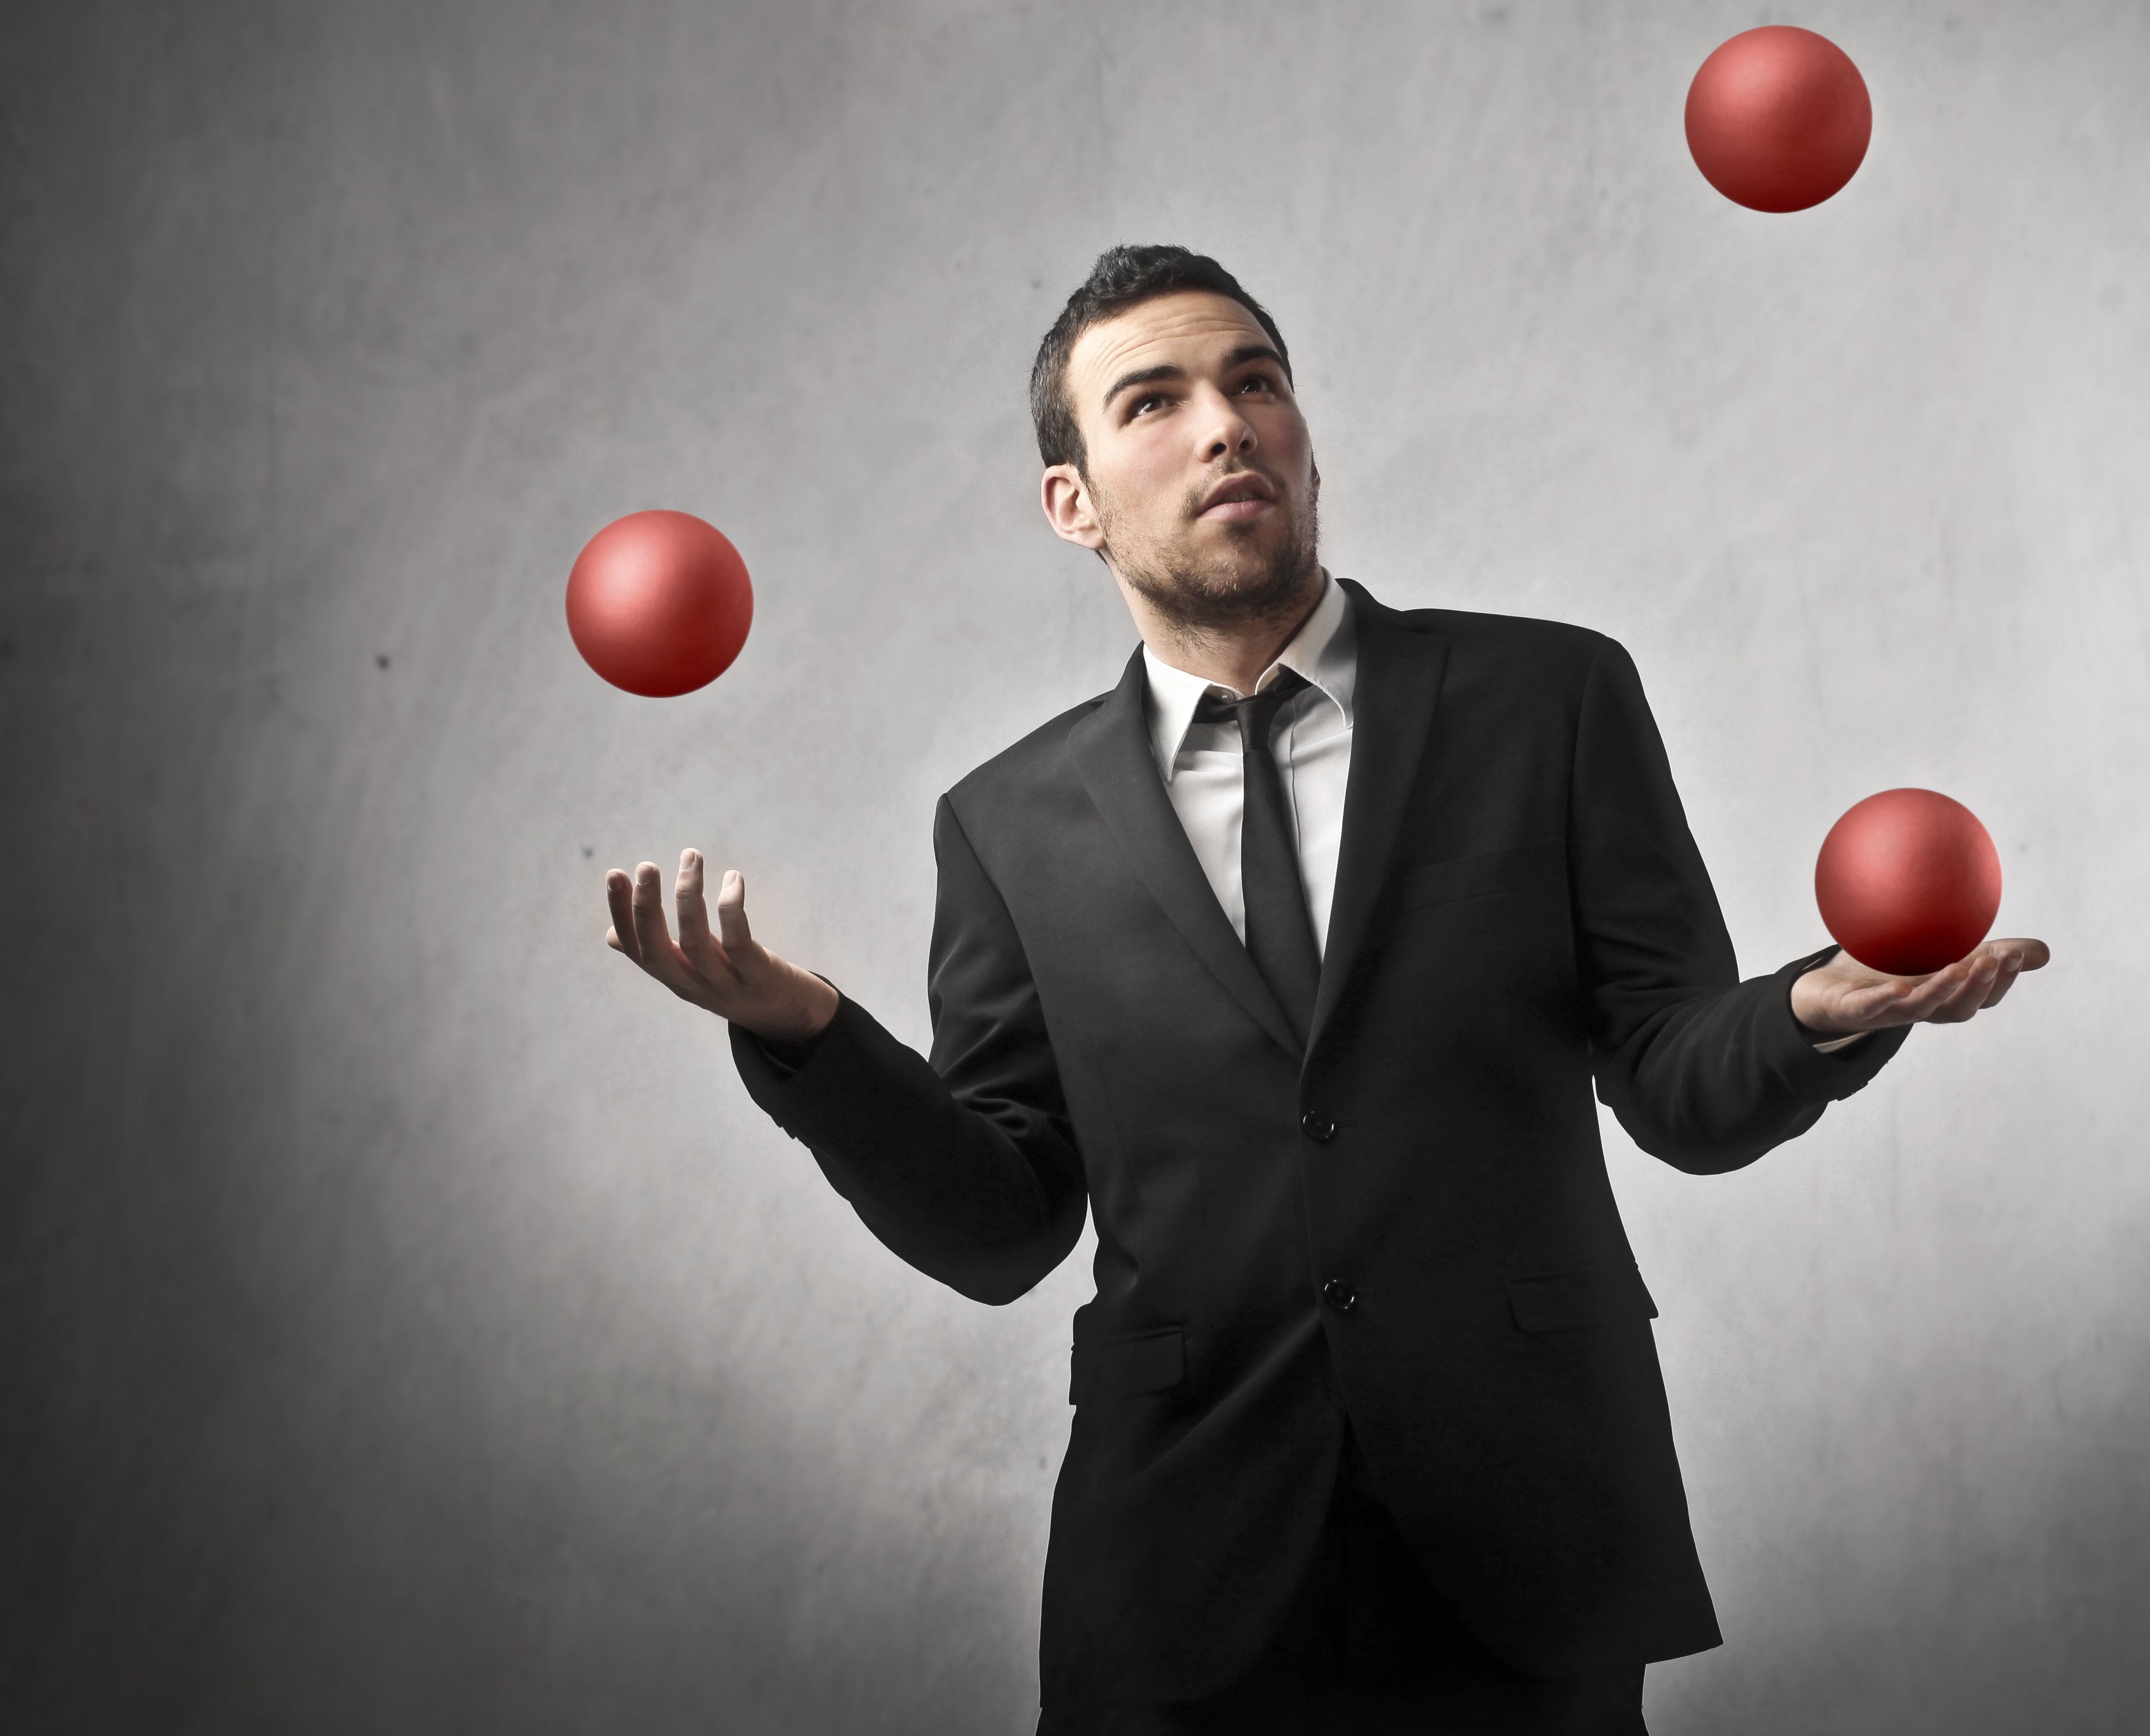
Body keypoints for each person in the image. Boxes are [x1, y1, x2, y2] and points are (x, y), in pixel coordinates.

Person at [603, 244, 2048, 1735]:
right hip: (1177, 1568)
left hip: (1523, 1539)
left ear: (1303, 441)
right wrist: (808, 1039)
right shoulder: (1005, 819)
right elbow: (1002, 1219)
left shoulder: (1548, 701)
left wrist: (1814, 1009)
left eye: (1255, 381)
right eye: (1153, 400)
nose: (1224, 422)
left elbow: (1674, 1075)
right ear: (1071, 501)